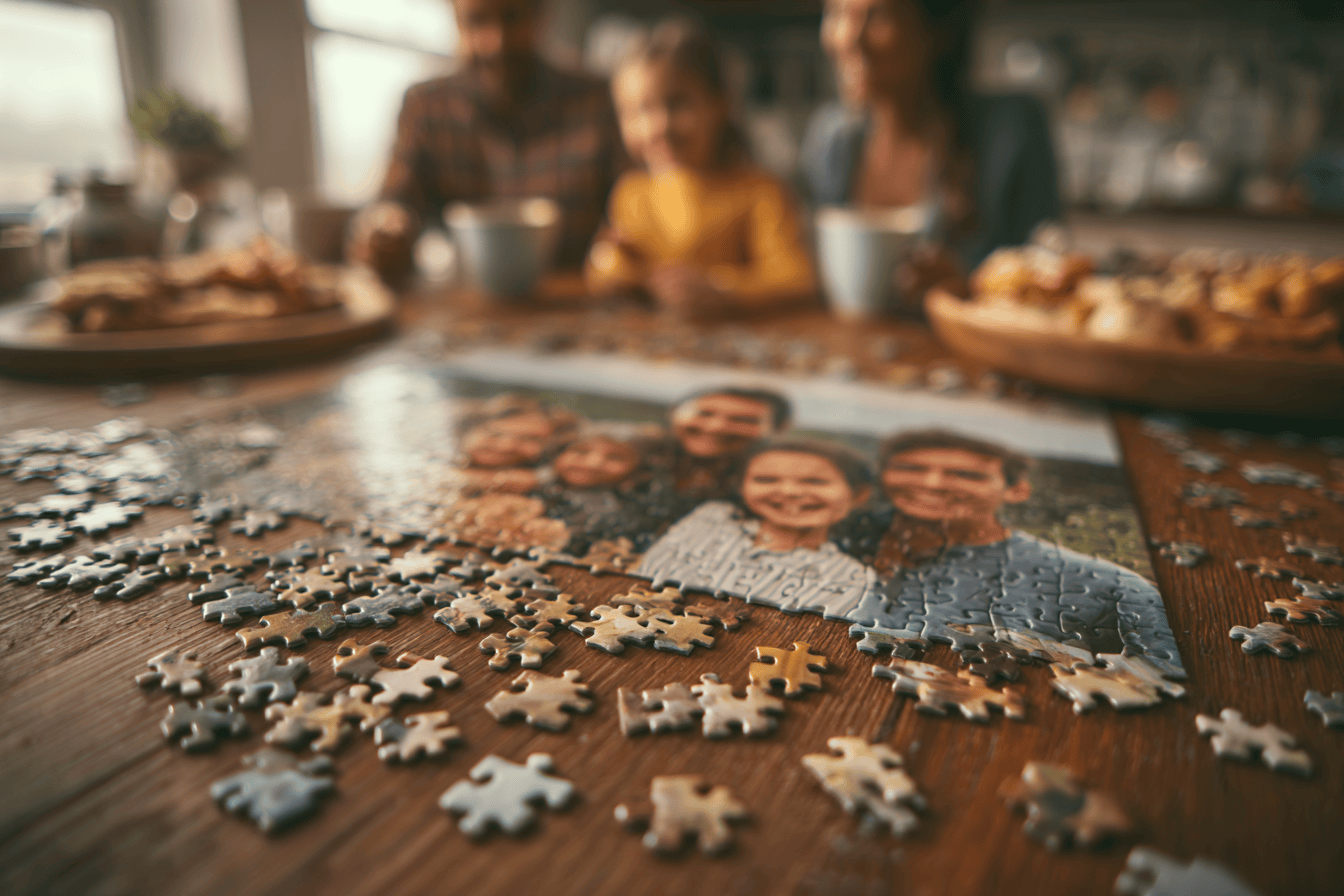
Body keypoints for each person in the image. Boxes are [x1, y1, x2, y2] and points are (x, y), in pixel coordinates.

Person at [845, 429, 1183, 673]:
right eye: (912, 468)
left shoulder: (1113, 585)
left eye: (965, 475)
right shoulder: (839, 547)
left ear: (1017, 491)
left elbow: (1163, 677)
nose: (933, 484)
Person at [347, 0, 626, 282]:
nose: (496, 44)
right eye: (476, 21)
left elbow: (636, 206)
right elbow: (393, 203)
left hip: (581, 303)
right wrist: (385, 230)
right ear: (455, 20)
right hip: (464, 306)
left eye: (512, 17)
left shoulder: (598, 101)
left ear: (542, 14)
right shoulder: (425, 107)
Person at [801, 0, 1061, 288]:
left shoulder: (1010, 132)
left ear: (937, 28)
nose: (848, 38)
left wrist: (969, 285)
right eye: (837, 13)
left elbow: (1049, 277)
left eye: (878, 17)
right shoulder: (832, 142)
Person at [585, 19, 817, 317]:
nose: (659, 127)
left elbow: (799, 280)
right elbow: (608, 271)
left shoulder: (760, 192)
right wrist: (612, 267)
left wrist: (722, 289)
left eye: (677, 103)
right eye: (638, 111)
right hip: (655, 354)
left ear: (721, 103)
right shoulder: (630, 195)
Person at [636, 438, 877, 619]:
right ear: (741, 488)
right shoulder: (712, 518)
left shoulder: (849, 575)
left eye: (815, 481)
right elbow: (640, 582)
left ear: (859, 494)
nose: (789, 491)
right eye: (766, 480)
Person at [653, 386, 792, 517]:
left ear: (777, 430)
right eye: (704, 413)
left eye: (743, 420)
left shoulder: (774, 495)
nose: (716, 427)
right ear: (674, 414)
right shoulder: (640, 458)